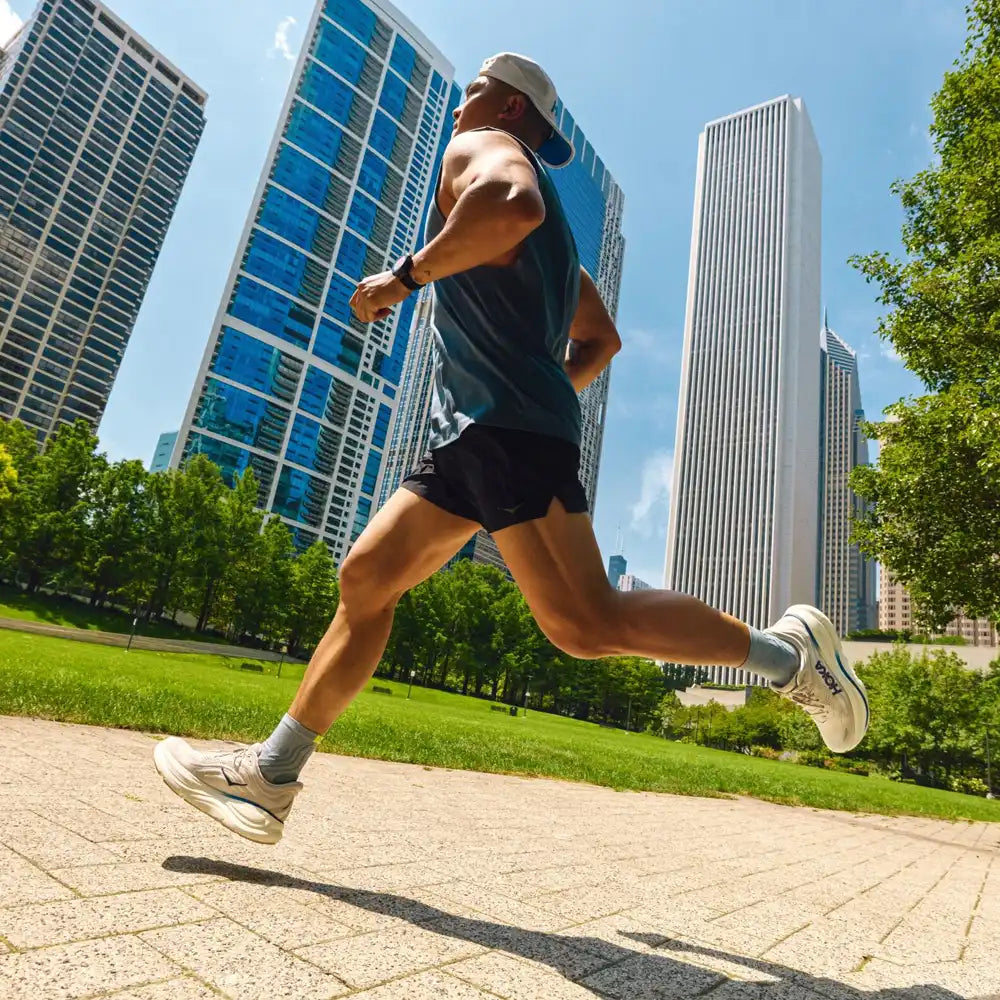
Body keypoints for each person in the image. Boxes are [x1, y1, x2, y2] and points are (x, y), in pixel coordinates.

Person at [154, 53, 869, 844]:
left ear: (510, 106)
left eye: (474, 93)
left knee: (585, 624)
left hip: (503, 430)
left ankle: (790, 656)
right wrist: (552, 385)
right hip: (471, 437)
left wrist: (404, 277)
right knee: (366, 578)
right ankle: (271, 776)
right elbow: (600, 338)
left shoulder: (486, 150)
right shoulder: (564, 246)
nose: (460, 109)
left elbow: (510, 202)